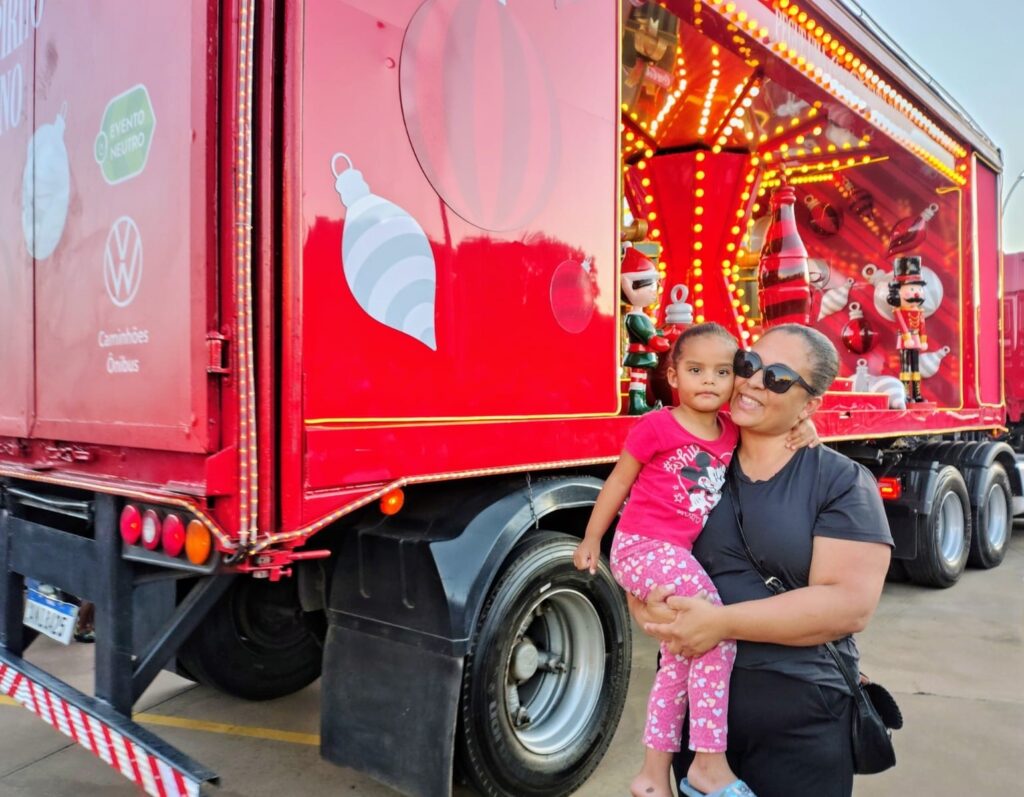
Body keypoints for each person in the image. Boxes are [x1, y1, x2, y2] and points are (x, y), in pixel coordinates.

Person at [632, 324, 893, 797]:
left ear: (809, 406)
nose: (752, 381)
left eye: (777, 378)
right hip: (698, 721)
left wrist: (720, 623)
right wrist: (646, 606)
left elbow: (848, 605)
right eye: (748, 364)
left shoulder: (840, 481)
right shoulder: (691, 462)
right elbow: (643, 548)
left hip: (802, 719)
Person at [573, 323, 816, 797]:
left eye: (722, 372)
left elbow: (781, 419)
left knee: (679, 658)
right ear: (673, 375)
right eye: (696, 370)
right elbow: (619, 482)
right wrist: (591, 538)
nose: (709, 380)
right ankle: (708, 763)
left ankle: (651, 776)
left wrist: (804, 425)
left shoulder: (731, 430)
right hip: (642, 546)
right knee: (714, 631)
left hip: (673, 555)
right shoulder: (656, 427)